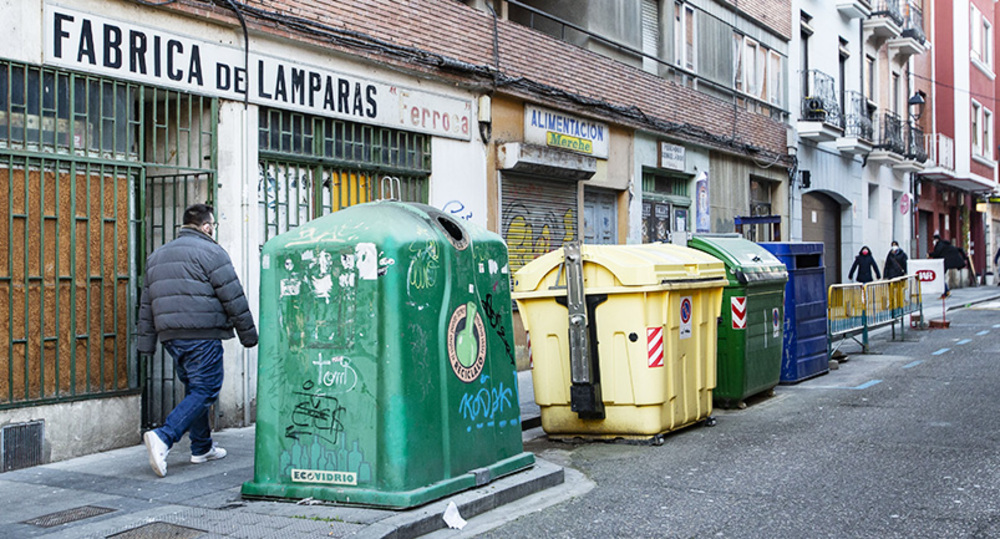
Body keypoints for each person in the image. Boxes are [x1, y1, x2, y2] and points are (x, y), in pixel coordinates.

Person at [138, 204, 258, 478]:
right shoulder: (212, 252)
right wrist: (248, 335)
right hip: (202, 334)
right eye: (212, 225)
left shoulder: (157, 256)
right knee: (206, 389)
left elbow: (146, 303)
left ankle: (202, 448)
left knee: (195, 388)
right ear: (206, 226)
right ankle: (164, 437)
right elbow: (233, 296)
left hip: (171, 337)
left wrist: (147, 343)